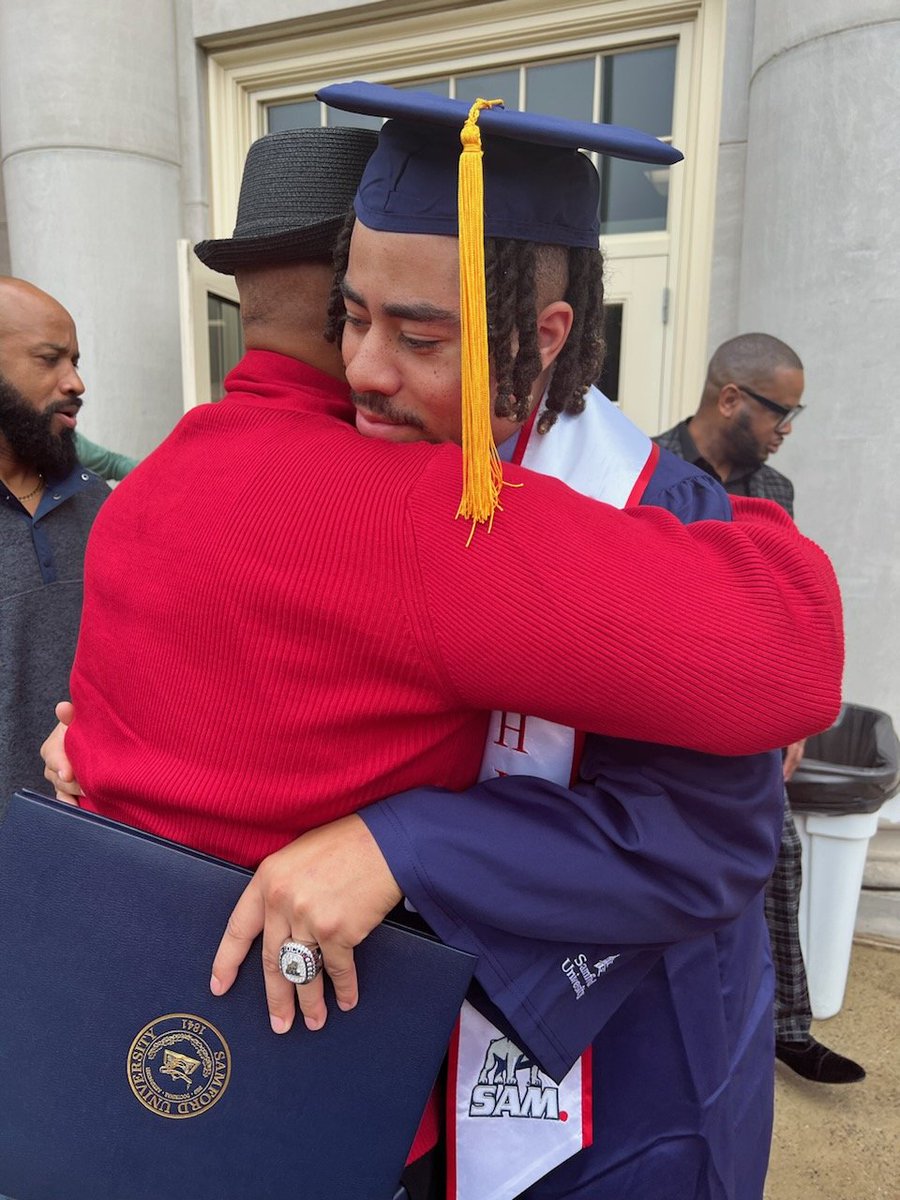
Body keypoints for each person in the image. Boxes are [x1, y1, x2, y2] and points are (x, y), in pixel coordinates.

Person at [45, 108, 841, 1200]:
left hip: (617, 1064)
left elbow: (722, 816)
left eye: (419, 336)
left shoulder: (652, 508)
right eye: (352, 317)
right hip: (394, 1057)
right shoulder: (396, 490)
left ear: (542, 335)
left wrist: (406, 843)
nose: (366, 370)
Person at [654, 333, 866, 1086]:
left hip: (745, 719)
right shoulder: (645, 469)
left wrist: (796, 717)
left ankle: (787, 1030)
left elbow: (784, 610)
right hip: (657, 715)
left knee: (778, 853)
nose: (787, 429)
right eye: (782, 410)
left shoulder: (775, 491)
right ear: (730, 399)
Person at [0, 276, 109, 804]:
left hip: (84, 830)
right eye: (49, 360)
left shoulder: (97, 503)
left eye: (75, 361)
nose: (76, 383)